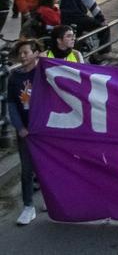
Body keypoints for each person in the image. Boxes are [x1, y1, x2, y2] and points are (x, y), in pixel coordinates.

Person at [7, 38, 41, 225]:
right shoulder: (15, 77)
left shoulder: (43, 73)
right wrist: (19, 127)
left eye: (26, 52)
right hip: (26, 132)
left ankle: (51, 199)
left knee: (46, 166)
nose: (22, 56)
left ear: (36, 53)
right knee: (26, 169)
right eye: (20, 53)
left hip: (43, 131)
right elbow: (12, 103)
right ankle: (28, 206)